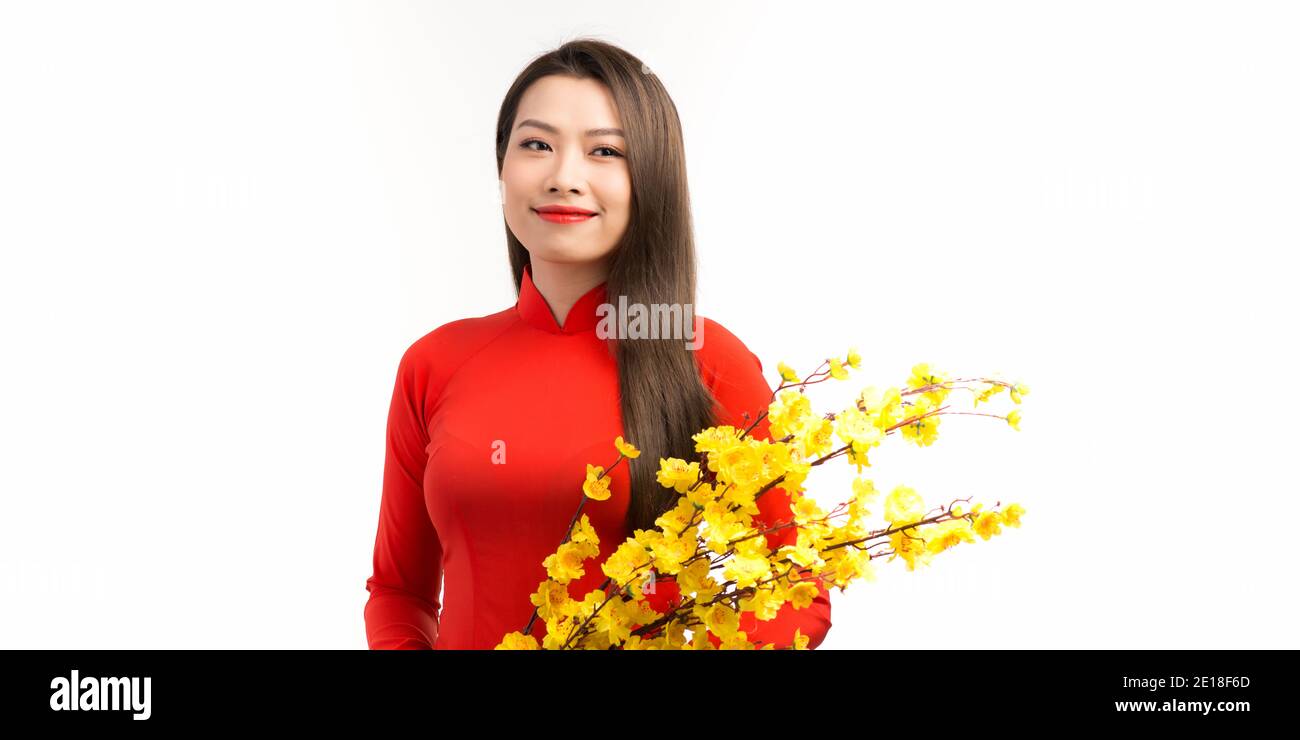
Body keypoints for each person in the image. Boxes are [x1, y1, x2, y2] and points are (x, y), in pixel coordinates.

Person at [363, 38, 832, 649]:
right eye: (537, 144)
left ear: (651, 179)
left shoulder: (704, 358)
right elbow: (400, 591)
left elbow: (798, 592)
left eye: (605, 151)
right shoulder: (434, 364)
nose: (564, 176)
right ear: (502, 165)